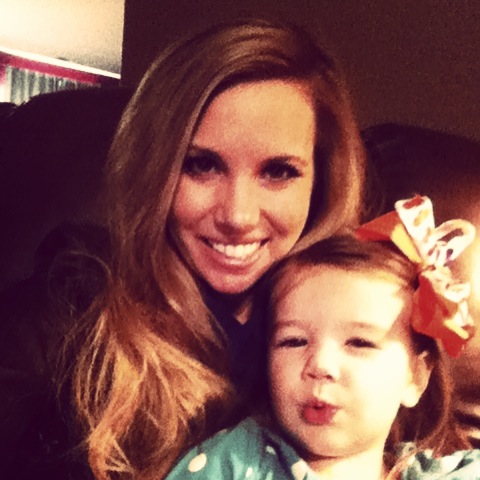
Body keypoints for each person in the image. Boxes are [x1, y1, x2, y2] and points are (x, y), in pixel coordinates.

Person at [0, 17, 366, 480]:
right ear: (154, 168)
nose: (238, 216)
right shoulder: (71, 312)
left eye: (278, 172)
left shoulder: (368, 330)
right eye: (202, 165)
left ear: (322, 183)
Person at [164, 195, 479, 479]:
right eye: (294, 341)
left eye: (359, 343)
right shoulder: (234, 462)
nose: (320, 365)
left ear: (416, 378)